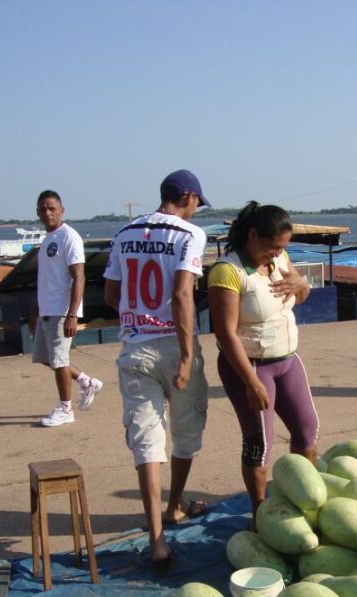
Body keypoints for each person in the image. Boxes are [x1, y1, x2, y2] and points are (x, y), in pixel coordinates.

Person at [103, 170, 210, 566]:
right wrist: (185, 355)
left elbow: (113, 295)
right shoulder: (188, 235)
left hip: (135, 348)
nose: (197, 209)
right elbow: (183, 294)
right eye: (198, 201)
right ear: (186, 196)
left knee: (147, 442)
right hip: (173, 344)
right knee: (185, 432)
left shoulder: (123, 233)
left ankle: (157, 539)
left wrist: (139, 314)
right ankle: (175, 504)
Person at [207, 202, 319, 524]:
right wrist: (251, 383)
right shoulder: (227, 272)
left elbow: (301, 293)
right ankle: (259, 513)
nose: (277, 253)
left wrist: (303, 285)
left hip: (287, 360)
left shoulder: (280, 258)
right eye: (272, 247)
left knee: (307, 430)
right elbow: (225, 335)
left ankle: (308, 502)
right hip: (251, 367)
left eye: (282, 247)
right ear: (253, 235)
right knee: (260, 443)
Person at [32, 190, 103, 427]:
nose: (47, 212)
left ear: (62, 209)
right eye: (43, 208)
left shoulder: (68, 237)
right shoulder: (46, 240)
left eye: (52, 208)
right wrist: (37, 311)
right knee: (47, 358)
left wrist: (73, 314)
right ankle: (86, 381)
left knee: (60, 361)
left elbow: (79, 277)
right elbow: (46, 280)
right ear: (37, 213)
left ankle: (65, 409)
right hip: (47, 311)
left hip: (62, 312)